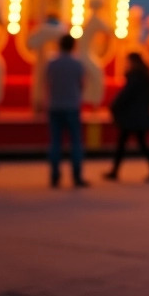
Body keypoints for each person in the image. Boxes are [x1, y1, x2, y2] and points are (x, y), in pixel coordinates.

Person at [104, 52, 149, 182]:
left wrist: (115, 105)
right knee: (139, 143)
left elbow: (126, 94)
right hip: (141, 113)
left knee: (125, 143)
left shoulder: (135, 76)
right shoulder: (147, 75)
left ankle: (115, 171)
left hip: (132, 115)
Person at [46, 33, 89, 188]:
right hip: (72, 106)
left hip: (55, 106)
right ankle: (77, 176)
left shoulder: (52, 63)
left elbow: (47, 82)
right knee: (76, 143)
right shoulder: (77, 64)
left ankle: (54, 176)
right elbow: (81, 84)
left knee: (55, 143)